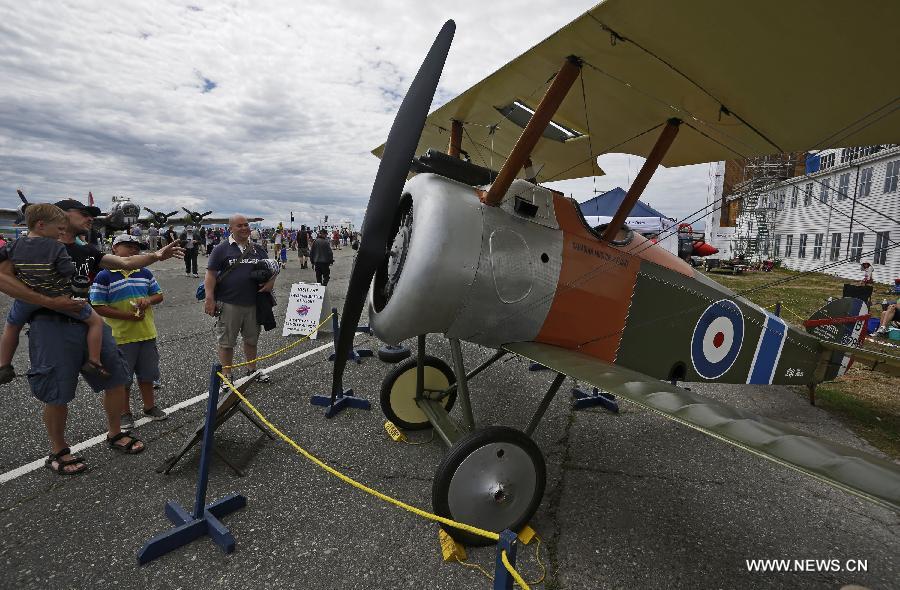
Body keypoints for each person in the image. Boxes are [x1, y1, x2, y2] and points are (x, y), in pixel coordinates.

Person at [0, 198, 184, 474]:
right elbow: (3, 278)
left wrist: (157, 256)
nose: (90, 219)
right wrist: (49, 301)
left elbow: (125, 261)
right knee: (57, 392)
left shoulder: (86, 250)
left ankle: (114, 432)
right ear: (62, 216)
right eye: (84, 214)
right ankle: (58, 451)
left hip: (88, 321)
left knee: (115, 377)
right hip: (51, 326)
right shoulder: (28, 249)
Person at [0, 204, 109, 385]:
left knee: (12, 326)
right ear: (41, 225)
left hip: (27, 299)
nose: (61, 233)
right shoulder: (57, 248)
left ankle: (4, 365)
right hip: (58, 296)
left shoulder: (15, 245)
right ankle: (94, 361)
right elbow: (68, 271)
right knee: (95, 321)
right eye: (59, 229)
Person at [90, 234, 167, 427]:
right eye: (128, 246)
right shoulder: (104, 275)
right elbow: (98, 305)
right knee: (122, 379)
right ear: (114, 249)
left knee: (148, 374)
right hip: (120, 337)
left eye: (136, 247)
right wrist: (128, 317)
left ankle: (149, 406)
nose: (134, 250)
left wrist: (148, 300)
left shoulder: (144, 273)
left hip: (147, 333)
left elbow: (158, 295)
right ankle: (124, 413)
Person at [204, 214, 277, 384]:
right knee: (227, 342)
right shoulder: (221, 249)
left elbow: (272, 268)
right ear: (231, 229)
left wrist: (272, 282)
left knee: (252, 339)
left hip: (253, 303)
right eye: (240, 226)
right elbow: (210, 274)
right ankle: (227, 376)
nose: (244, 228)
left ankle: (252, 371)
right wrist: (209, 298)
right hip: (229, 303)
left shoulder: (258, 249)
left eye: (246, 225)